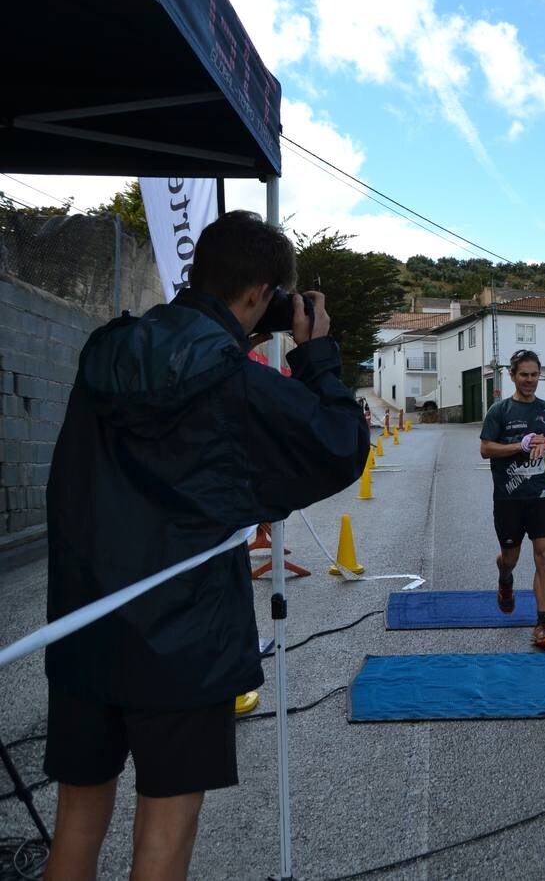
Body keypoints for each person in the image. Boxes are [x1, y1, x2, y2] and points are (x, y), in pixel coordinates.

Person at [42, 211, 370, 881]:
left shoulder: (106, 351)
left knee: (75, 825)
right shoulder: (233, 382)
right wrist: (316, 356)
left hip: (85, 623)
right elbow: (338, 445)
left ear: (199, 272)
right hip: (182, 640)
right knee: (162, 838)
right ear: (259, 296)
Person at [480, 349, 545, 649]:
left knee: (544, 555)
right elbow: (486, 449)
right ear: (512, 376)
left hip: (542, 496)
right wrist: (519, 446)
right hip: (508, 498)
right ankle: (505, 579)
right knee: (510, 558)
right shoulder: (500, 411)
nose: (530, 380)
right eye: (524, 375)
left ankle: (543, 623)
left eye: (534, 375)